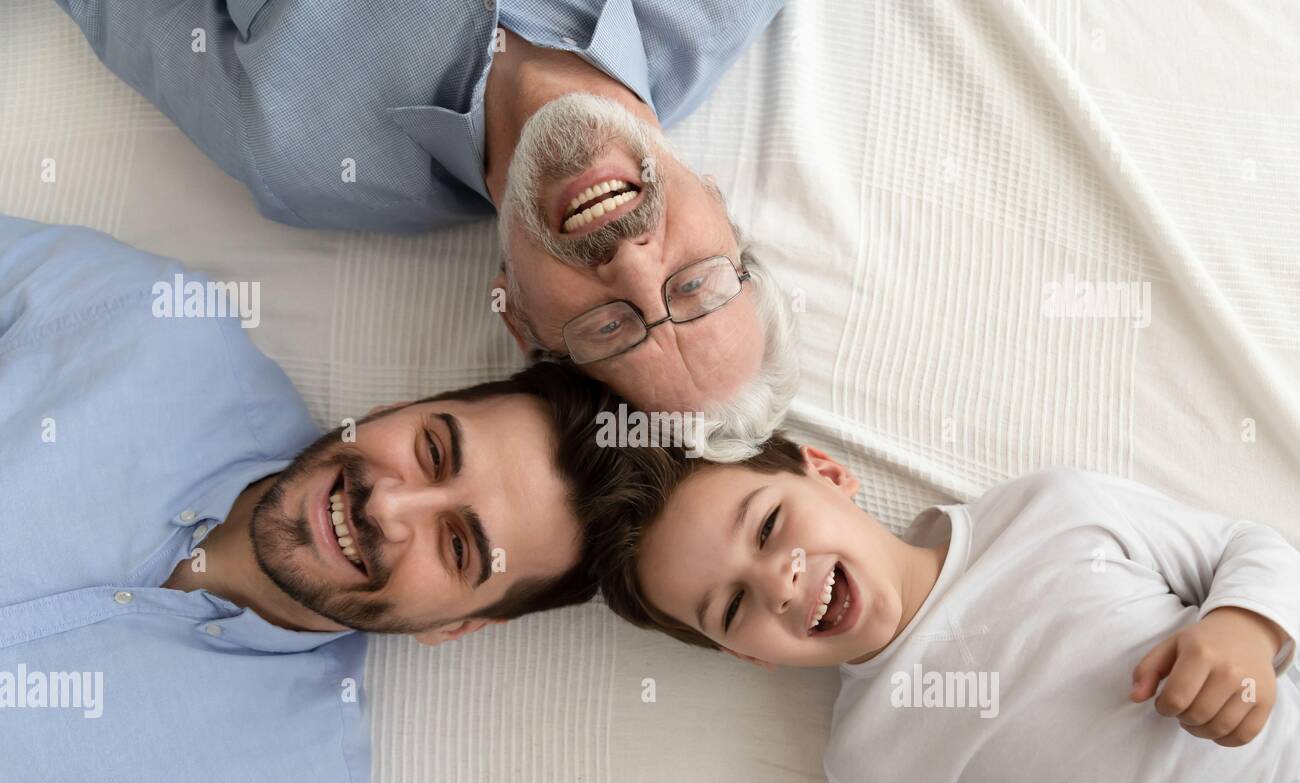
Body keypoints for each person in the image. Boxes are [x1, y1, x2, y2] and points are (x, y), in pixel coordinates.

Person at [0, 215, 635, 783]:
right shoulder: (150, 323)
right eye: (432, 450)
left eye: (456, 547)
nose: (387, 505)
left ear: (456, 627)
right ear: (397, 408)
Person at [56, 0, 799, 454]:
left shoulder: (297, 153)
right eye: (696, 285)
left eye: (610, 328)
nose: (632, 266)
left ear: (519, 317)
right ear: (717, 201)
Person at [595, 435, 1300, 783]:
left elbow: (1247, 546)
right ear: (748, 656)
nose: (779, 583)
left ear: (827, 471)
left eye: (769, 525)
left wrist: (1241, 627)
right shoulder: (867, 770)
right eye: (734, 606)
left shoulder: (1050, 513)